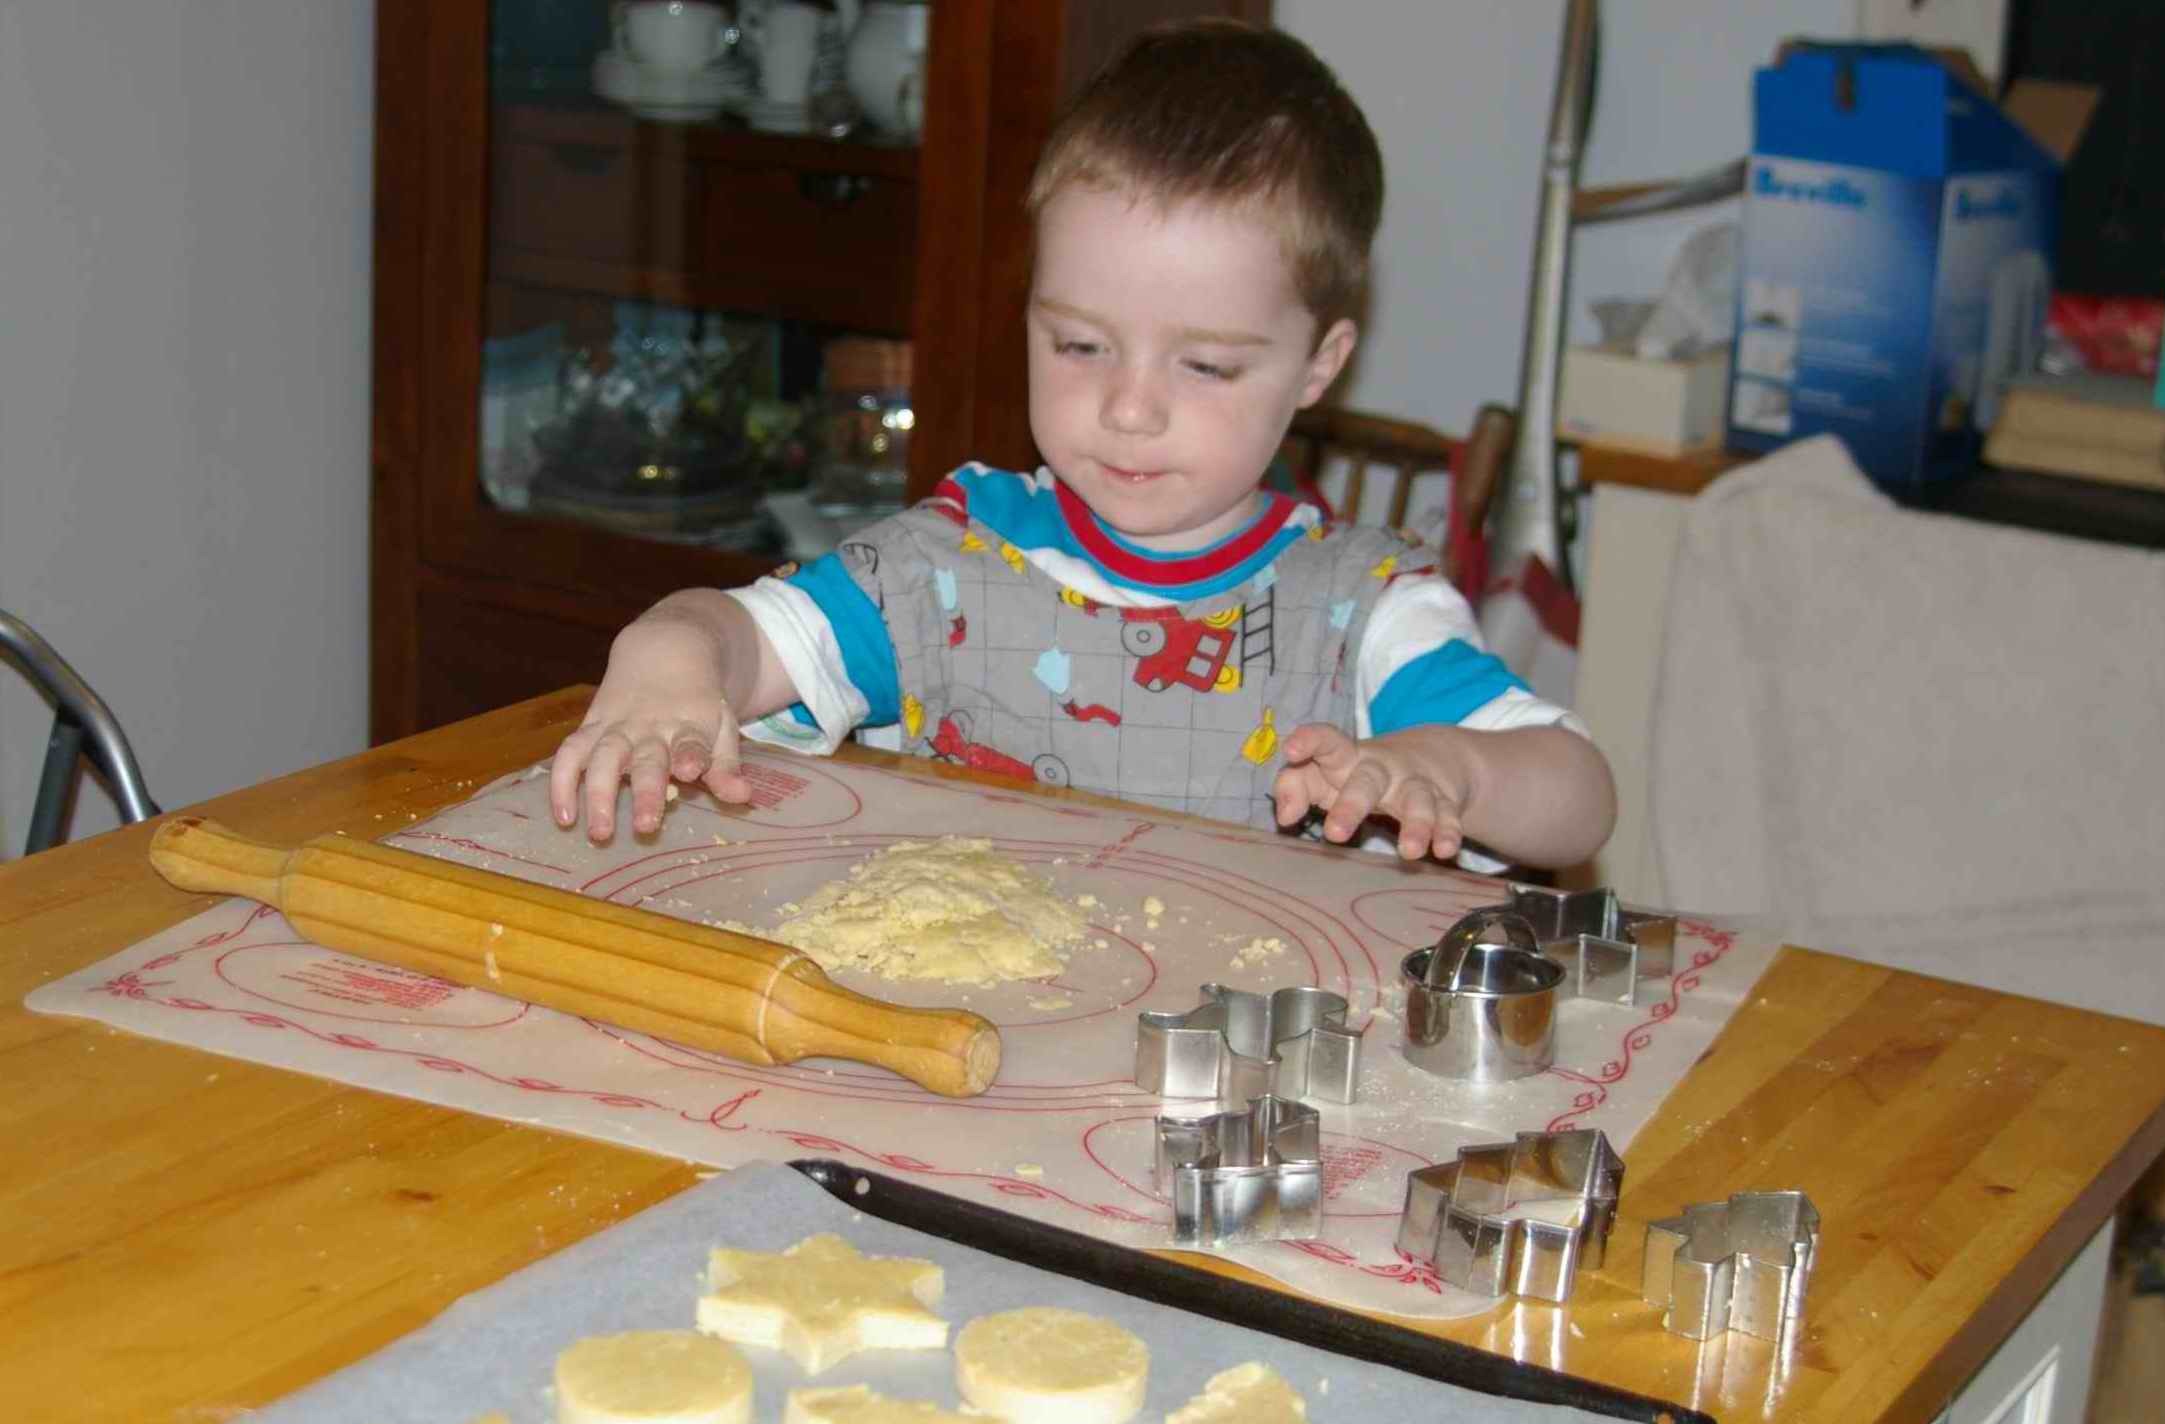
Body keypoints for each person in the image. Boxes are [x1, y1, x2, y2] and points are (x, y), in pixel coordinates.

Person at [549, 20, 1614, 871]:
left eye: (1205, 365)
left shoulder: (1363, 617)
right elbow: (736, 637)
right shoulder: (945, 572)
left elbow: (1579, 794)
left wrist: (1444, 767)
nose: (1129, 408)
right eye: (1080, 343)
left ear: (1319, 365)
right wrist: (667, 658)